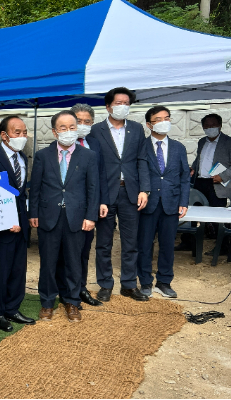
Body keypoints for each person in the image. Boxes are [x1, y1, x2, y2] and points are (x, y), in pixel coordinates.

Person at [29, 111, 99, 323]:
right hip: (48, 216)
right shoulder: (42, 155)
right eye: (63, 128)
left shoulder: (88, 156)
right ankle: (47, 302)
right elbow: (36, 187)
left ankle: (71, 301)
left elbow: (93, 189)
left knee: (73, 261)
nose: (68, 132)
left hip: (76, 218)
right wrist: (33, 213)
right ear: (54, 131)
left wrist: (91, 216)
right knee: (48, 262)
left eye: (72, 127)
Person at [89, 87, 151, 303]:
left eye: (127, 103)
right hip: (105, 193)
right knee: (104, 242)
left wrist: (145, 189)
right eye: (119, 103)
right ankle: (105, 284)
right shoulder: (95, 131)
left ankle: (129, 285)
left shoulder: (136, 129)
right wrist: (96, 197)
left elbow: (142, 160)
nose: (123, 107)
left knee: (130, 241)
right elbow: (93, 165)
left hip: (131, 192)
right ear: (108, 106)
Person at [0, 115, 34, 333]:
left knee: (18, 270)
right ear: (4, 135)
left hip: (22, 224)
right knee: (1, 271)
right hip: (2, 226)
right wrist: (4, 222)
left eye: (24, 132)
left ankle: (13, 307)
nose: (22, 136)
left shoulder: (24, 157)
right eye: (17, 132)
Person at [54, 104, 109, 309]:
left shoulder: (94, 144)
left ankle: (80, 288)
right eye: (79, 121)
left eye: (87, 121)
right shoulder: (59, 143)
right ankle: (62, 289)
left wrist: (101, 202)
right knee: (61, 251)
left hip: (87, 208)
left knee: (83, 250)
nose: (82, 125)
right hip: (62, 208)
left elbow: (100, 174)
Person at [137, 106, 190, 299]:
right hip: (147, 204)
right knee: (144, 244)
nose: (164, 122)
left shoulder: (178, 148)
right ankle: (144, 281)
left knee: (167, 244)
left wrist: (184, 201)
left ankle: (164, 281)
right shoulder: (141, 146)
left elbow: (185, 177)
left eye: (167, 118)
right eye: (158, 119)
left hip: (171, 203)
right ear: (149, 124)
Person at [180, 113, 231, 254]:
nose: (210, 128)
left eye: (213, 125)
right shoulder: (202, 141)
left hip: (217, 184)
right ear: (203, 127)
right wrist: (193, 168)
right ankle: (188, 242)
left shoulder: (228, 142)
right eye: (207, 126)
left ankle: (223, 246)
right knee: (192, 211)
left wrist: (223, 176)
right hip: (200, 182)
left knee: (218, 216)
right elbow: (200, 159)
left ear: (220, 125)